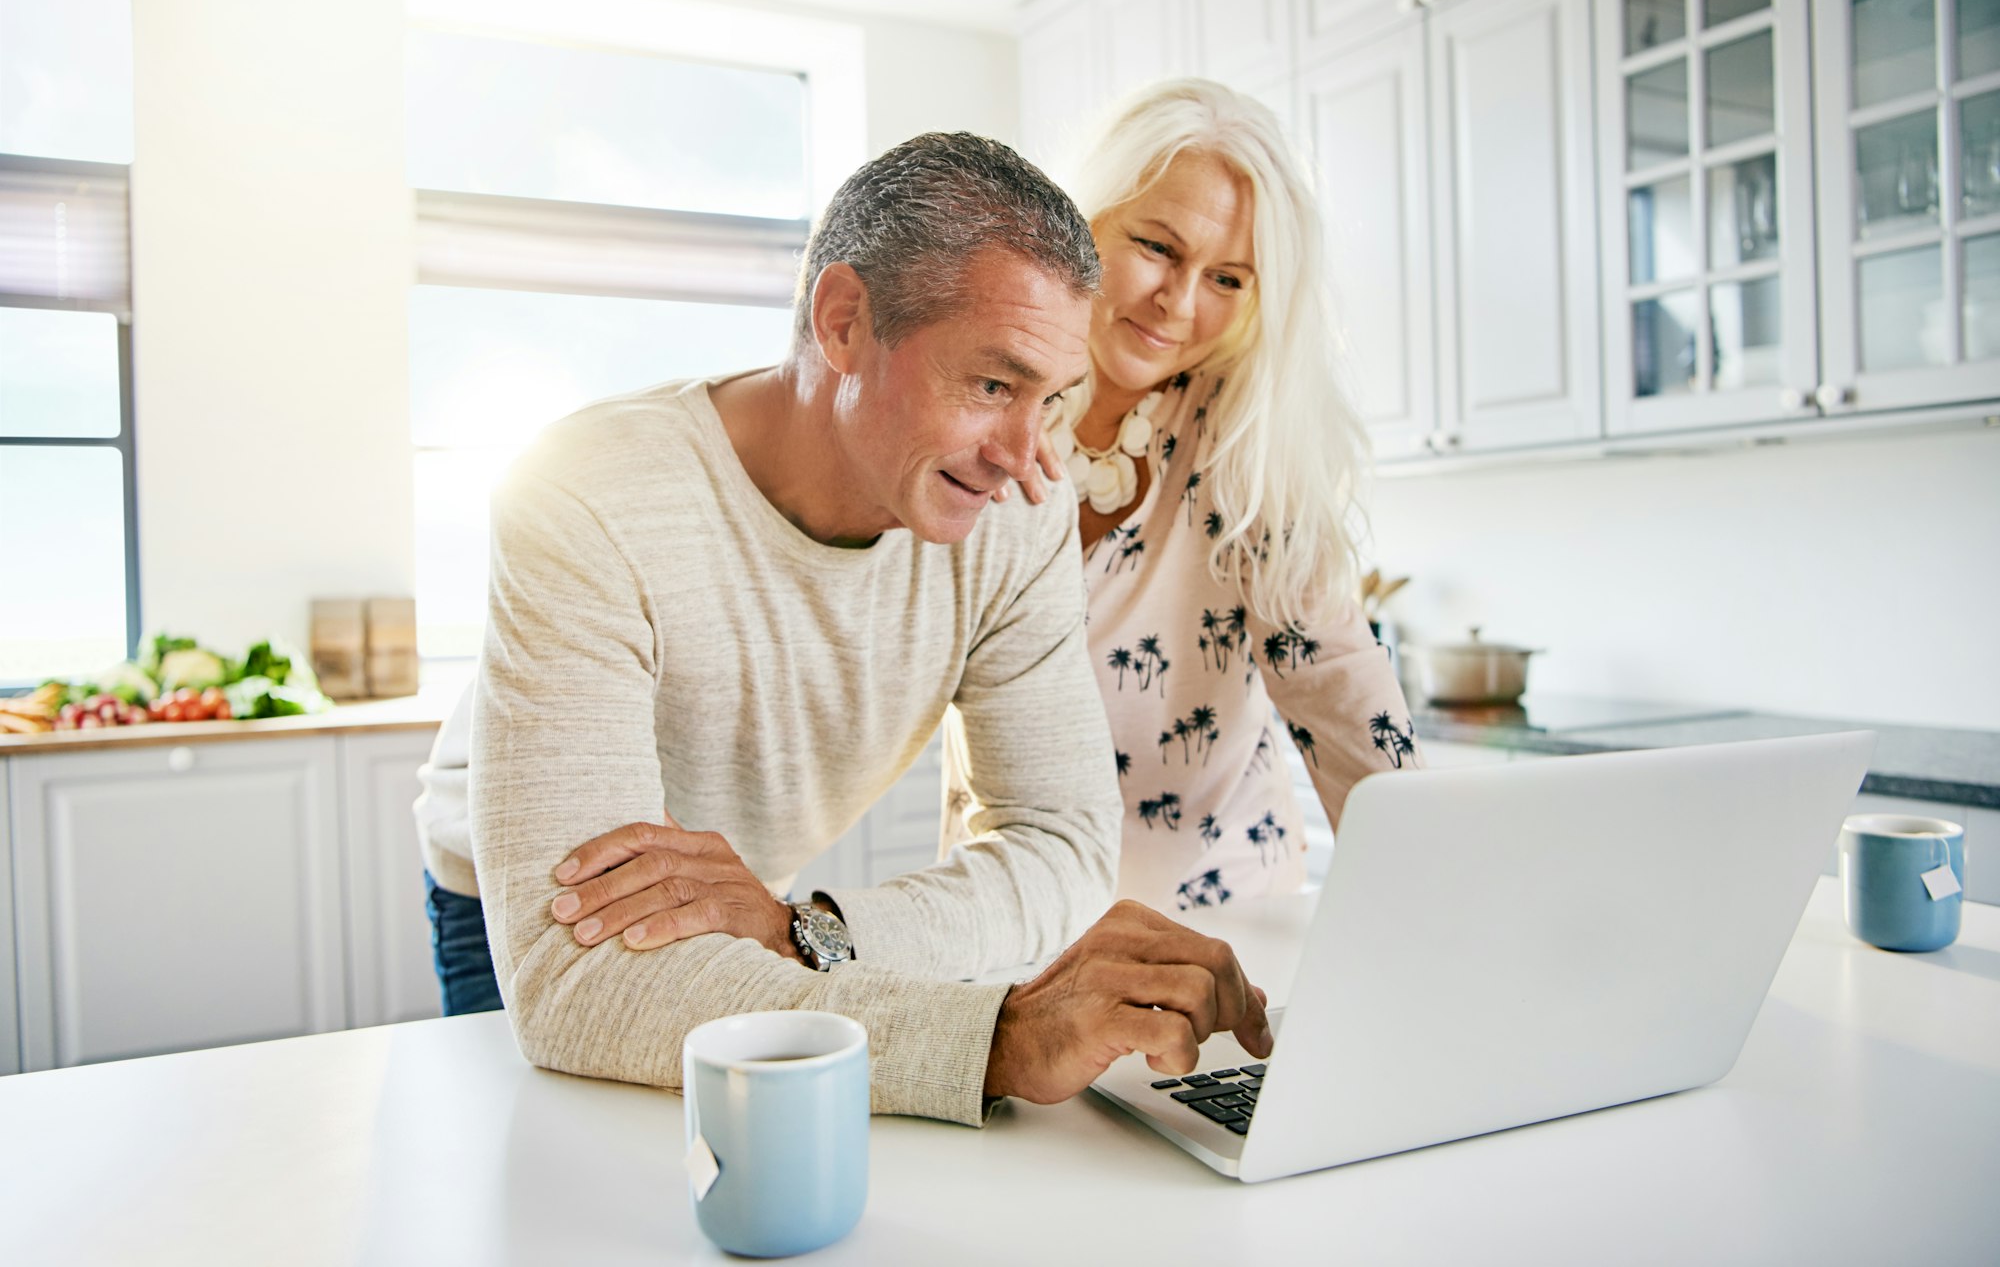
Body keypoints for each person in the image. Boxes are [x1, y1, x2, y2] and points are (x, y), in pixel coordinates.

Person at [423, 132, 1271, 1125]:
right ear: (842, 322)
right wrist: (1001, 1039)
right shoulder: (588, 489)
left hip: (758, 903)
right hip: (521, 908)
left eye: (1050, 398)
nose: (1024, 456)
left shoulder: (1017, 513)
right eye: (991, 385)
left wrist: (804, 933)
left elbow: (1065, 847)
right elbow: (583, 989)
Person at [980, 77, 1422, 911]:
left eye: (1228, 279)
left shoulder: (1241, 431)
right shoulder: (984, 415)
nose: (1178, 304)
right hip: (1015, 915)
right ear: (1084, 221)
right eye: (1157, 247)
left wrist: (1437, 875)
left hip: (1226, 919)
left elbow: (1330, 669)